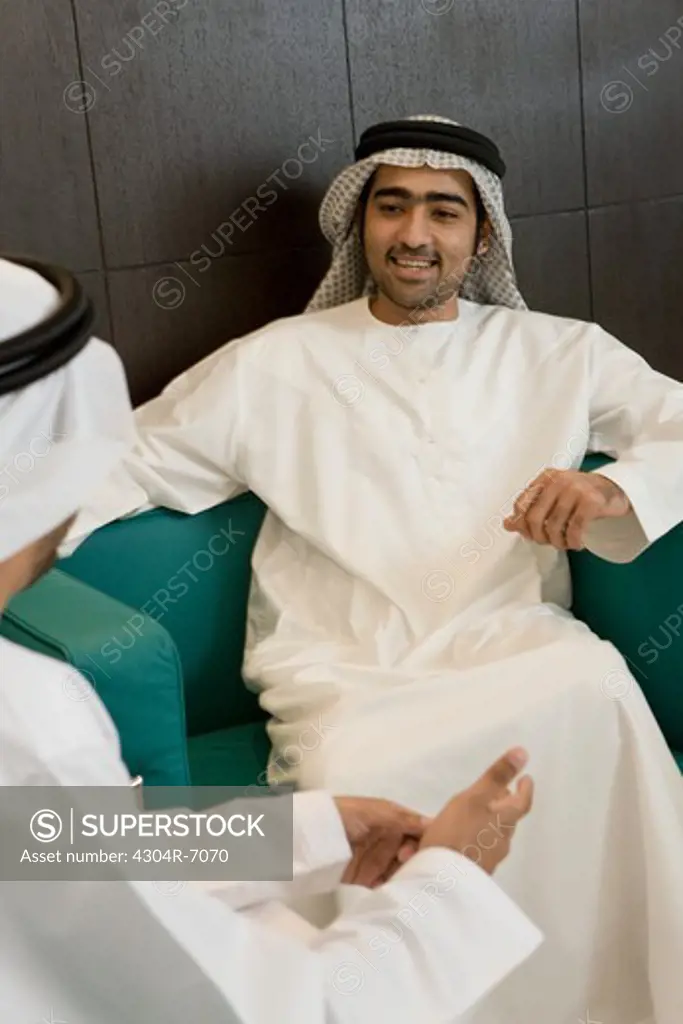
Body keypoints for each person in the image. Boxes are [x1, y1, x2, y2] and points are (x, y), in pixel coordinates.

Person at [65, 115, 683, 1023]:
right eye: (391, 207)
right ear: (361, 225)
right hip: (345, 665)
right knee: (366, 769)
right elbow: (120, 461)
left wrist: (614, 492)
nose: (415, 234)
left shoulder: (560, 352)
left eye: (444, 211)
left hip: (512, 637)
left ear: (483, 236)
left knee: (597, 688)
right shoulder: (275, 362)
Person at [0, 255, 544, 1022]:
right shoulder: (25, 720)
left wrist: (307, 833)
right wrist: (450, 879)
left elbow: (54, 856)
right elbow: (280, 1012)